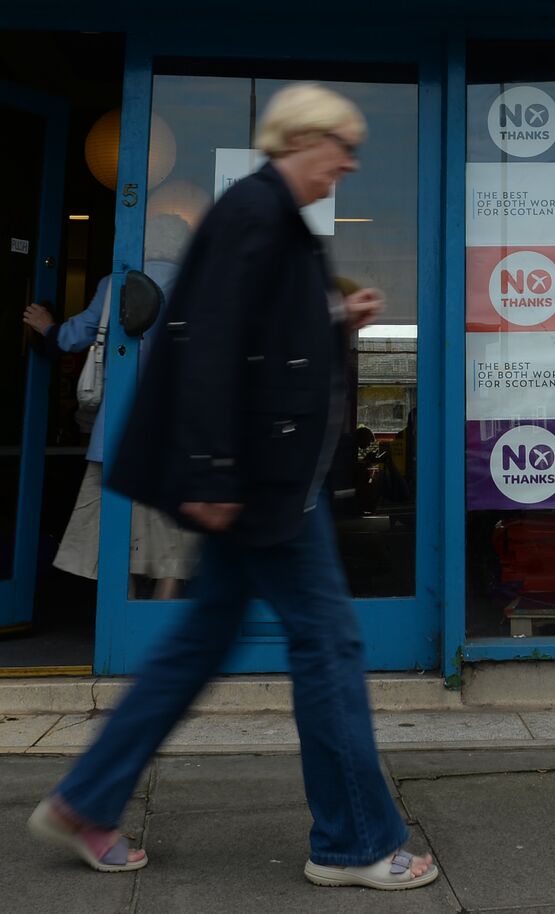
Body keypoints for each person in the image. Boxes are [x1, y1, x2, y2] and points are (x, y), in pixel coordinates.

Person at [26, 83, 438, 891]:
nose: (348, 164)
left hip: (264, 475)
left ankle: (87, 800)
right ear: (300, 140)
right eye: (340, 147)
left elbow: (259, 341)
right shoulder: (257, 214)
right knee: (329, 645)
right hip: (262, 483)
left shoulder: (271, 219)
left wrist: (332, 323)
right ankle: (354, 840)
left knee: (198, 643)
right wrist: (215, 470)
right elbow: (205, 340)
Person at [22, 214, 200, 599]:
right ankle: (159, 614)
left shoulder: (114, 285)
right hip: (178, 429)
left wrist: (47, 327)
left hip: (118, 431)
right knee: (173, 532)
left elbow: (74, 337)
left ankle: (126, 615)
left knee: (114, 526)